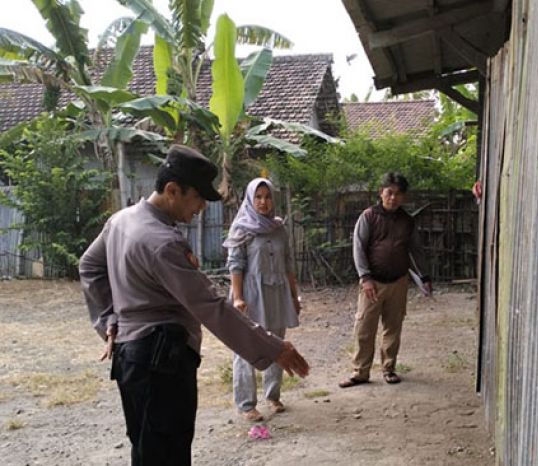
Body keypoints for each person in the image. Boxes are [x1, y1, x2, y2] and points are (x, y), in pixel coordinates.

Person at [79, 145, 309, 466]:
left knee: (146, 450)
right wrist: (273, 347)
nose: (201, 207)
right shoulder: (163, 242)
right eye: (197, 198)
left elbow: (89, 266)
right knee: (167, 454)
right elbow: (211, 307)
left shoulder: (121, 220)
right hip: (162, 363)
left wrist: (108, 322)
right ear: (172, 190)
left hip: (130, 360)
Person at [339, 172, 432, 388]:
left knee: (393, 327)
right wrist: (365, 277)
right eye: (389, 193)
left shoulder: (407, 222)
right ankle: (360, 372)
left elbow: (416, 251)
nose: (393, 198)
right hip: (372, 283)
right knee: (364, 328)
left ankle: (389, 368)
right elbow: (359, 249)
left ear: (404, 197)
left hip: (398, 282)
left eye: (398, 194)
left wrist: (425, 276)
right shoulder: (368, 217)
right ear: (381, 192)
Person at [223, 178, 302, 422]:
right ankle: (247, 404)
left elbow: (288, 263)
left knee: (277, 343)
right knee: (247, 347)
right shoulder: (241, 228)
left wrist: (293, 293)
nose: (263, 202)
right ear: (250, 199)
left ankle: (273, 395)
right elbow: (235, 265)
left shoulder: (279, 228)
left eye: (267, 197)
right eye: (258, 197)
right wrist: (237, 298)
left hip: (276, 292)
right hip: (250, 295)